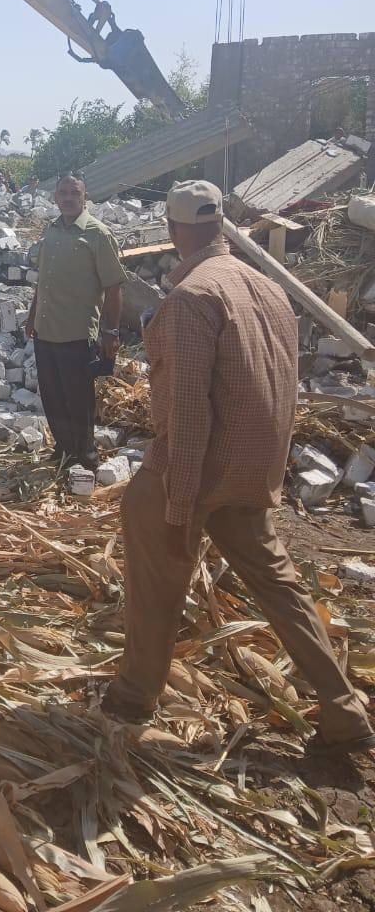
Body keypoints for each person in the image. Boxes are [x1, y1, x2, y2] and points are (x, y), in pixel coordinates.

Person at [102, 181, 375, 755]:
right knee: (279, 585)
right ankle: (343, 707)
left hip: (194, 470)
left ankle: (134, 696)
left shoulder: (191, 299)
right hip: (252, 470)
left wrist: (178, 506)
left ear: (172, 231)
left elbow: (187, 411)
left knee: (154, 571)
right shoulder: (270, 289)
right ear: (221, 224)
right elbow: (283, 385)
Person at [25, 174, 125, 470]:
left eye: (74, 192)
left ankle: (86, 458)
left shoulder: (98, 234)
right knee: (52, 397)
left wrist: (111, 332)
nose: (68, 198)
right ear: (55, 196)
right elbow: (44, 281)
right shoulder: (51, 230)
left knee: (78, 401)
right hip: (45, 330)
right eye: (63, 192)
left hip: (77, 334)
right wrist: (32, 316)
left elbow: (114, 288)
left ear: (85, 197)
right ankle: (63, 451)